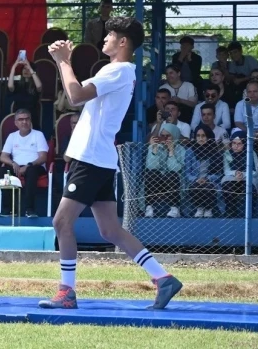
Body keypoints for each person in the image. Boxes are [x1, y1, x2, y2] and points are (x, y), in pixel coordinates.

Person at [39, 17, 182, 311]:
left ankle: (66, 291)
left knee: (61, 221)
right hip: (100, 158)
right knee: (110, 231)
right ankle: (163, 277)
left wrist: (63, 61)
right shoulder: (122, 72)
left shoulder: (116, 70)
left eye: (109, 35)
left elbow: (75, 95)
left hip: (92, 159)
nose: (103, 40)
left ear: (122, 42)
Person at [0, 108, 48, 218]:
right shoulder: (12, 136)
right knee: (3, 171)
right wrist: (12, 163)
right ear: (16, 123)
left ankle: (29, 209)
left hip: (34, 166)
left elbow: (43, 157)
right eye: (21, 119)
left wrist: (28, 165)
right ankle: (8, 209)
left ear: (30, 121)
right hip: (16, 165)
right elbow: (3, 156)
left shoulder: (38, 135)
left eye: (27, 119)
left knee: (31, 171)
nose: (24, 122)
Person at [144, 123, 186, 218]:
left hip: (175, 182)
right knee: (151, 174)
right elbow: (151, 167)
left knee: (171, 174)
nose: (164, 138)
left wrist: (171, 152)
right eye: (162, 136)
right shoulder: (154, 146)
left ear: (174, 135)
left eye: (167, 136)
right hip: (157, 182)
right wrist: (154, 149)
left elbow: (175, 169)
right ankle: (149, 207)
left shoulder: (181, 150)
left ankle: (175, 208)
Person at [221, 129, 258, 217]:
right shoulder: (227, 153)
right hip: (234, 178)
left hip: (249, 178)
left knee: (249, 186)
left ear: (245, 144)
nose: (235, 146)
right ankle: (230, 211)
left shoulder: (251, 153)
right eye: (233, 143)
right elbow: (226, 170)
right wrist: (236, 173)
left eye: (239, 144)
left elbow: (255, 171)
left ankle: (249, 213)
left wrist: (243, 174)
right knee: (227, 185)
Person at [186, 125, 222, 218]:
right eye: (198, 136)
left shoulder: (215, 152)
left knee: (208, 186)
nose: (200, 138)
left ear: (208, 136)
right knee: (195, 186)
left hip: (211, 181)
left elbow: (218, 174)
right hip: (194, 181)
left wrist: (207, 179)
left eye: (203, 136)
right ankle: (200, 208)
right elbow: (187, 172)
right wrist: (196, 179)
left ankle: (208, 208)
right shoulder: (190, 151)